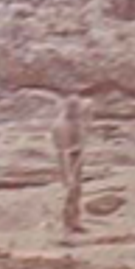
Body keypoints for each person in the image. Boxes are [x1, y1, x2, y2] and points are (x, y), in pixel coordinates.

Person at [50, 94, 88, 236]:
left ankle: (75, 221)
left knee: (77, 192)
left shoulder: (76, 121)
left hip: (76, 158)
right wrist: (68, 174)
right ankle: (66, 225)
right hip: (68, 160)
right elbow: (63, 153)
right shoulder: (62, 125)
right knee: (68, 192)